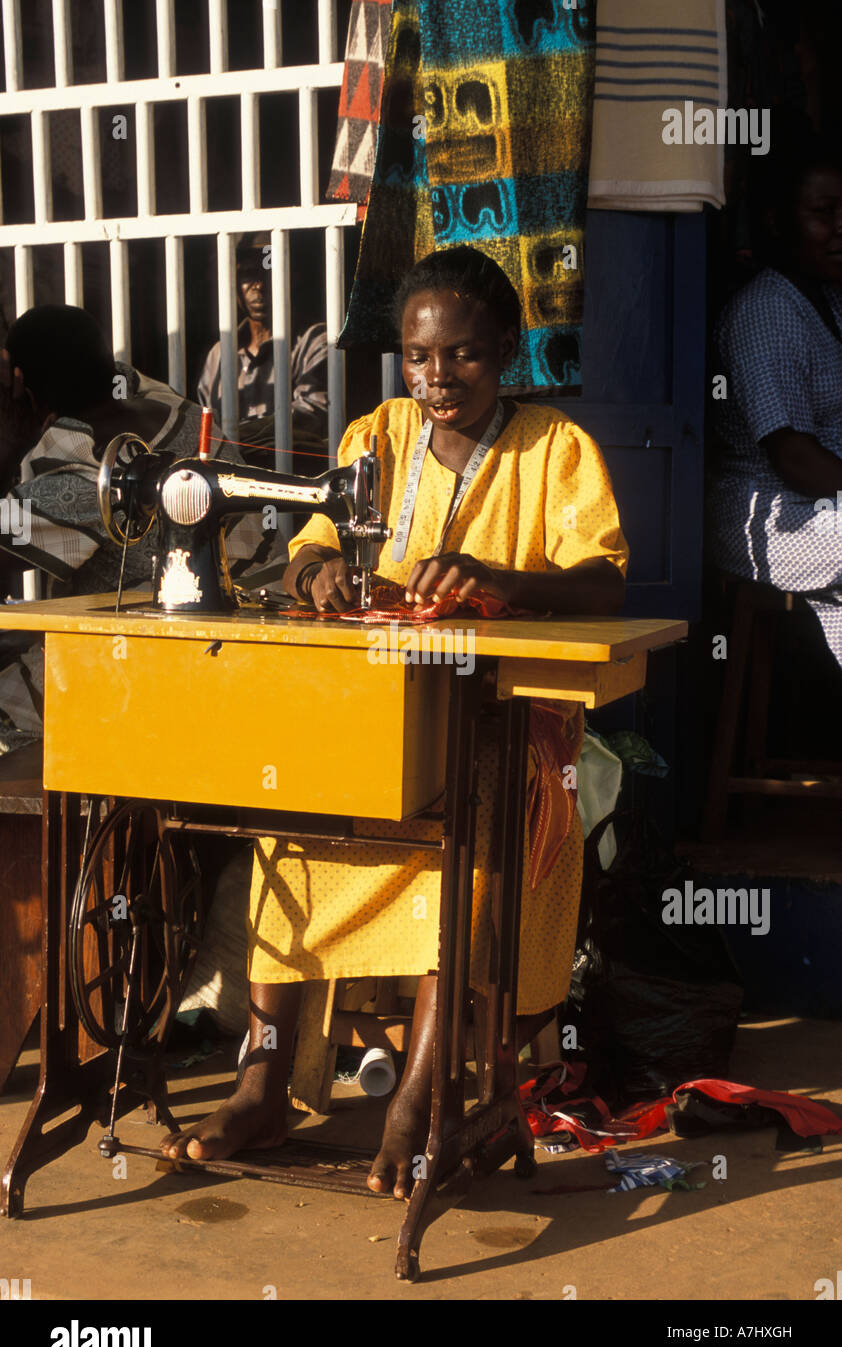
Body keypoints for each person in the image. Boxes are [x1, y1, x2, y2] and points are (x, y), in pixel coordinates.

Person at [161, 246, 629, 1197]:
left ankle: (420, 1095)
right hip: (377, 719)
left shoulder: (554, 448)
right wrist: (315, 574)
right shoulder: (374, 437)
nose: (436, 378)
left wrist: (502, 583)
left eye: (459, 355)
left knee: (470, 824)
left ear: (504, 347)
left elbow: (605, 578)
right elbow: (311, 544)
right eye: (418, 358)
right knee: (282, 825)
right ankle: (262, 1081)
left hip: (510, 725)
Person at [0, 305, 269, 749]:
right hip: (247, 622)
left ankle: (68, 810)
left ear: (25, 395)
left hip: (163, 658)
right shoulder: (172, 407)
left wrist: (10, 447)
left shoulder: (84, 478)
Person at [708, 140, 842, 671]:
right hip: (771, 513)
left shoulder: (826, 296)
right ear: (779, 222)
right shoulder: (766, 310)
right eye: (822, 214)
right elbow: (795, 459)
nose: (840, 227)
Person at [197, 234, 328, 462]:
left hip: (290, 476)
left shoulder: (314, 340)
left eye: (269, 271)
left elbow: (313, 414)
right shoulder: (219, 354)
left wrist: (233, 436)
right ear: (234, 283)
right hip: (229, 478)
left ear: (292, 277)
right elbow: (206, 424)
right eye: (248, 273)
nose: (258, 285)